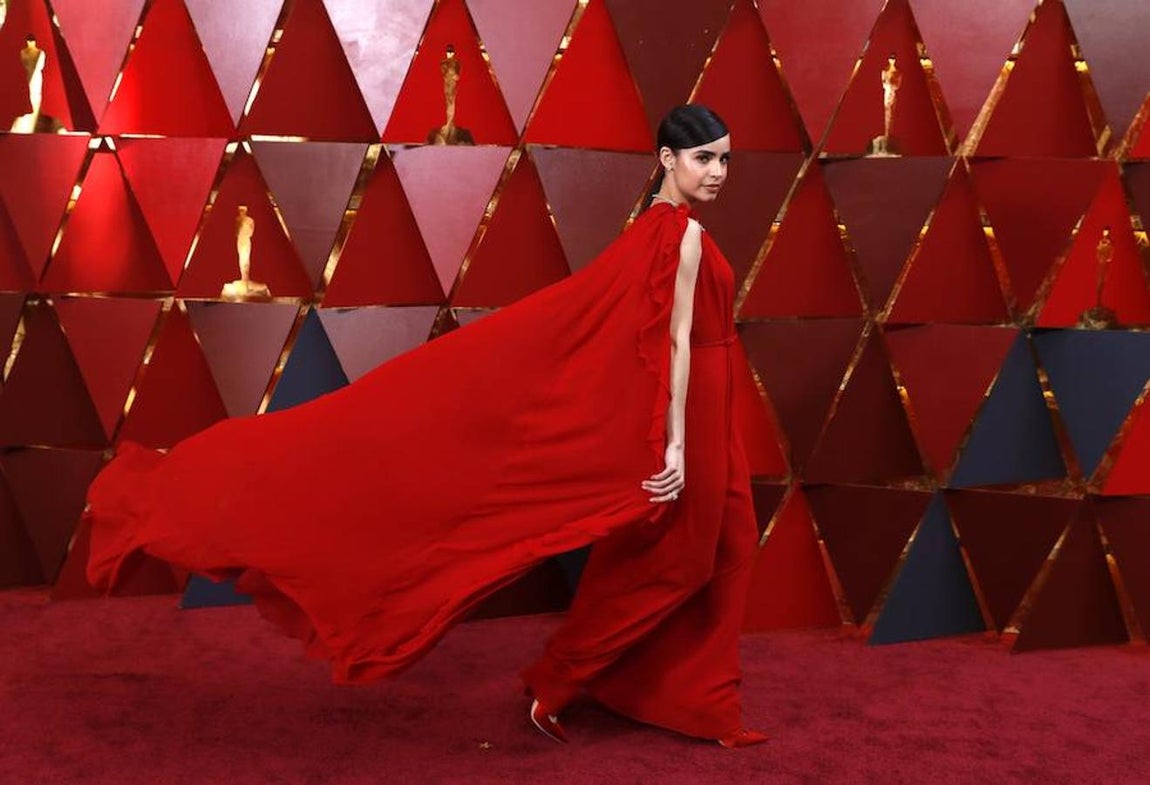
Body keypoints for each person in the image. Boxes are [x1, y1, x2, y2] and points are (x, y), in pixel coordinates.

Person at [82, 104, 768, 749]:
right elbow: (671, 342)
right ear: (667, 157)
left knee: (723, 541)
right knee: (683, 556)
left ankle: (667, 690)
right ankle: (563, 680)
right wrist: (673, 441)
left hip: (714, 397)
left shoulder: (658, 228)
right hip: (695, 408)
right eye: (703, 158)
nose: (716, 173)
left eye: (727, 161)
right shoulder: (677, 236)